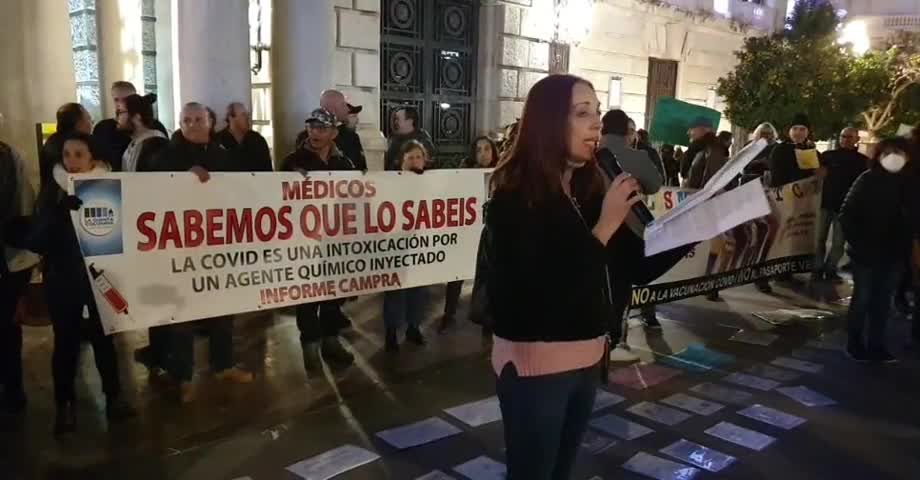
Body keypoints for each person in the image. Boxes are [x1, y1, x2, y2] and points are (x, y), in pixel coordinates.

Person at [487, 74, 641, 480]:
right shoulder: (513, 199)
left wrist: (682, 234)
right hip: (537, 369)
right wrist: (605, 227)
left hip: (587, 359)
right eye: (582, 112)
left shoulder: (587, 190)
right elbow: (540, 293)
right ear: (549, 122)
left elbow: (623, 270)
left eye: (598, 112)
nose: (597, 124)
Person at [24, 133, 136, 434]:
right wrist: (58, 215)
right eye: (67, 155)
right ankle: (65, 406)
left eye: (78, 155)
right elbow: (36, 240)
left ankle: (114, 399)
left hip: (102, 278)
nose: (71, 161)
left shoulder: (111, 188)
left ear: (93, 159)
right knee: (66, 344)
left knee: (105, 340)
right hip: (63, 278)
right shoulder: (52, 191)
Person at [149, 103, 253, 402]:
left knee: (222, 308)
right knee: (182, 314)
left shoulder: (222, 155)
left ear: (210, 121)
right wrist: (183, 175)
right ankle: (183, 375)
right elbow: (150, 191)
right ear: (179, 123)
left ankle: (223, 364)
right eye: (187, 120)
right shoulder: (165, 156)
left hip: (217, 246)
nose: (193, 124)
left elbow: (241, 191)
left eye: (199, 119)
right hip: (180, 249)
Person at [281, 108, 356, 376]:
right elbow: (278, 199)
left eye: (322, 128)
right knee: (307, 295)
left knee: (333, 292)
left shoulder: (344, 164)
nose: (315, 132)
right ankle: (310, 347)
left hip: (334, 240)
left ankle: (331, 341)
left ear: (334, 133)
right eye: (312, 127)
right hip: (304, 241)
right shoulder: (292, 162)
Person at [840, 137, 916, 364]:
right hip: (865, 252)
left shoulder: (909, 183)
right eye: (888, 152)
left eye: (899, 152)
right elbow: (847, 214)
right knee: (862, 299)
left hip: (893, 253)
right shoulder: (868, 179)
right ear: (879, 156)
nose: (894, 157)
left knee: (883, 302)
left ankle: (877, 345)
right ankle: (854, 343)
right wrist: (859, 244)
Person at [598, 110, 664, 328]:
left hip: (593, 232)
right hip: (629, 232)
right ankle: (618, 330)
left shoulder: (586, 154)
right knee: (621, 285)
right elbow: (655, 184)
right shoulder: (636, 157)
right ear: (627, 131)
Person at [439, 136, 500, 334]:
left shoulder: (501, 173)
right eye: (479, 150)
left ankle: (488, 323)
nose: (483, 154)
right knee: (456, 275)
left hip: (490, 233)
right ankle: (449, 315)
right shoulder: (463, 174)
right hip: (466, 232)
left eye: (487, 149)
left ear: (493, 151)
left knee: (490, 277)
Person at [0, 132, 39, 415]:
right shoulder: (11, 156)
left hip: (9, 256)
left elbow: (24, 207)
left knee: (8, 326)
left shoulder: (10, 158)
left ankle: (13, 391)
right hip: (11, 256)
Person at [384, 140, 431, 352]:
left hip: (421, 244)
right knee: (395, 289)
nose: (414, 161)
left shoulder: (433, 183)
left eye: (418, 157)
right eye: (410, 158)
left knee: (419, 287)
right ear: (400, 162)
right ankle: (391, 332)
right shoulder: (389, 183)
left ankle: (414, 326)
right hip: (396, 244)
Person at [814, 127, 867, 283]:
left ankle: (830, 269)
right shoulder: (827, 156)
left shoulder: (862, 161)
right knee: (818, 239)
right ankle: (817, 269)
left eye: (850, 137)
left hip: (845, 207)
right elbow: (817, 175)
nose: (846, 139)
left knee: (838, 243)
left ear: (857, 139)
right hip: (824, 203)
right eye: (843, 136)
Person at [685, 116, 728, 301]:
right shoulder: (702, 148)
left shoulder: (714, 149)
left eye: (692, 128)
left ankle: (711, 283)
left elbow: (712, 178)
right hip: (702, 201)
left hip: (708, 202)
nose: (690, 132)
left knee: (713, 244)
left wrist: (703, 198)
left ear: (704, 129)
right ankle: (707, 282)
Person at [92, 81, 168, 170]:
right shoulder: (134, 142)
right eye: (116, 100)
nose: (118, 105)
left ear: (137, 116)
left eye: (122, 112)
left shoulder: (156, 142)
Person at [744, 122, 780, 294]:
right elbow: (742, 169)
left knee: (768, 229)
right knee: (753, 232)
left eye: (768, 133)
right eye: (763, 133)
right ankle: (751, 266)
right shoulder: (749, 148)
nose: (766, 135)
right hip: (750, 192)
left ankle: (760, 269)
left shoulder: (777, 149)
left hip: (770, 193)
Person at [40, 103, 93, 191]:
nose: (91, 123)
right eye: (89, 118)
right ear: (79, 123)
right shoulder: (79, 143)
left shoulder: (51, 142)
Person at [117, 94, 169, 172]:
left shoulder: (157, 144)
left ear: (137, 116)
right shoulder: (134, 144)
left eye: (120, 112)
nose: (117, 118)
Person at [215, 102, 273, 172]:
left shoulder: (258, 140)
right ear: (231, 118)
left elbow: (268, 171)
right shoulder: (218, 141)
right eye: (243, 115)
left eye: (248, 115)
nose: (248, 118)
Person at [321, 90, 367, 171]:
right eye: (353, 116)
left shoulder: (353, 137)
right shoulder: (314, 136)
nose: (357, 120)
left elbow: (361, 167)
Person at [768, 114, 819, 188]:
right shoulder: (779, 150)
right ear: (789, 131)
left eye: (802, 129)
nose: (798, 132)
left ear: (808, 132)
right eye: (795, 129)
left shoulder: (811, 150)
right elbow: (777, 176)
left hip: (807, 193)